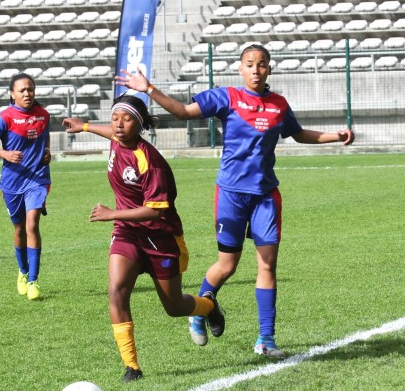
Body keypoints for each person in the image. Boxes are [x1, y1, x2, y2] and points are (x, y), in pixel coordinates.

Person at [115, 43, 355, 360]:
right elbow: (183, 112)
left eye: (262, 64)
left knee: (267, 265)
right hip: (231, 195)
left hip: (265, 197)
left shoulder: (279, 105)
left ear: (269, 69)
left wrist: (334, 137)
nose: (256, 69)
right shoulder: (227, 98)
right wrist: (149, 89)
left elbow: (298, 134)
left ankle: (266, 340)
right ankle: (201, 308)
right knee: (227, 265)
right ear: (240, 69)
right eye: (250, 64)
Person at [62, 94, 225, 382]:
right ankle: (132, 367)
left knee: (174, 307)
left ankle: (208, 306)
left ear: (139, 125)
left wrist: (112, 214)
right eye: (115, 118)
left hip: (160, 236)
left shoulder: (149, 160)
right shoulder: (117, 139)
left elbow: (155, 211)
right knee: (116, 290)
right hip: (127, 232)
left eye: (126, 119)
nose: (119, 124)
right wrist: (84, 126)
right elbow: (110, 134)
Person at [0, 73, 52, 299]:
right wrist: (6, 154)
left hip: (37, 179)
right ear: (12, 94)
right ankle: (22, 271)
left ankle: (33, 281)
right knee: (20, 229)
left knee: (32, 225)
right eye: (22, 90)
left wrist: (47, 152)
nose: (27, 93)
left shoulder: (43, 115)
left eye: (30, 89)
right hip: (12, 182)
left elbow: (44, 138)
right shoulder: (5, 117)